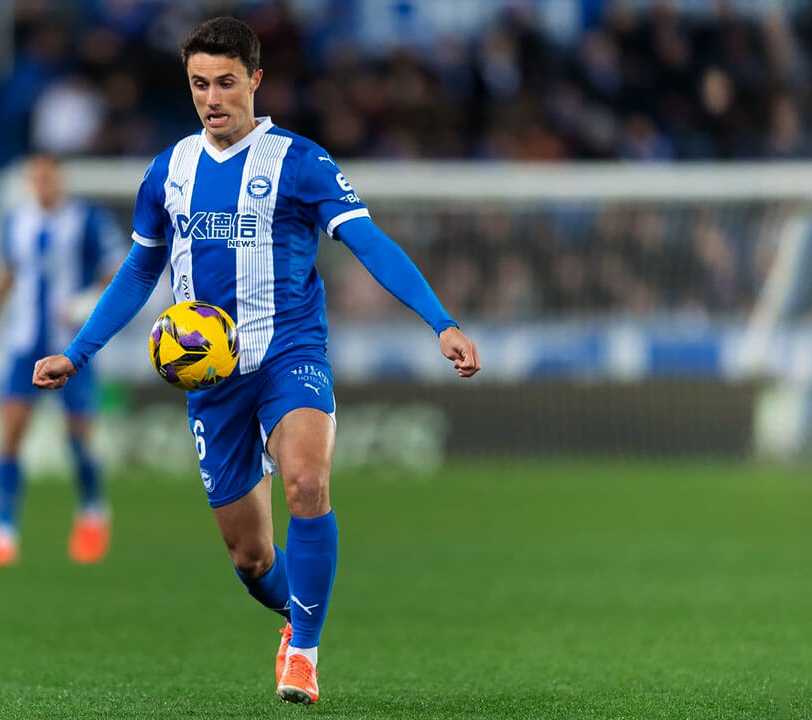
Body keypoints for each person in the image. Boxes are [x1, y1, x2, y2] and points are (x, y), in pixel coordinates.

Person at [32, 18, 479, 704]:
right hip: (211, 380)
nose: (212, 98)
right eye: (199, 84)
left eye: (226, 83)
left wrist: (440, 322)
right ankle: (293, 614)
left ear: (256, 81)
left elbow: (370, 242)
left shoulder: (300, 162)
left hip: (288, 352)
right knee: (250, 557)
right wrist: (78, 352)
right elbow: (139, 271)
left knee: (307, 482)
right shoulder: (168, 171)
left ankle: (304, 653)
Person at [0, 153, 122, 567]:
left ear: (61, 180)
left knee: (78, 436)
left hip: (70, 347)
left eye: (49, 177)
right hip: (24, 345)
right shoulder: (17, 222)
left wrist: (84, 303)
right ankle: (2, 532)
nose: (43, 184)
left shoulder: (86, 219)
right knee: (10, 432)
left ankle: (92, 514)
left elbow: (116, 270)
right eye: (36, 178)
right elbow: (9, 271)